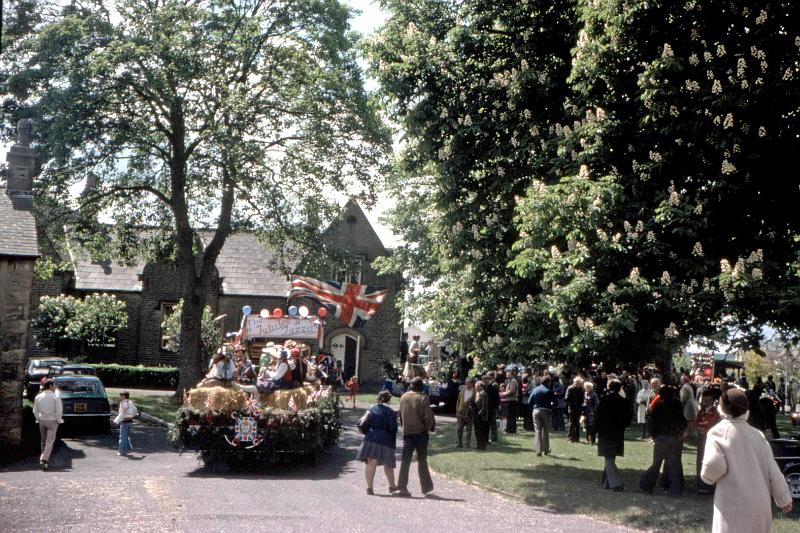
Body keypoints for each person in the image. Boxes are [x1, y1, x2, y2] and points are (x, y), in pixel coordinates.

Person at [701, 387, 792, 532]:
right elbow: (773, 470)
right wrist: (783, 497)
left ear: (722, 408)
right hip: (759, 504)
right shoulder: (758, 435)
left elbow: (713, 466)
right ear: (746, 409)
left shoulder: (717, 433)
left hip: (733, 503)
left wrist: (707, 477)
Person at [640, 385, 687, 496]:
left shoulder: (659, 406)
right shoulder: (678, 405)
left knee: (656, 463)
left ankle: (646, 485)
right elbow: (682, 421)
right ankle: (676, 490)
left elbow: (652, 423)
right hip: (675, 437)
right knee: (674, 464)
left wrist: (654, 435)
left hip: (661, 437)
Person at [396, 377, 435, 497]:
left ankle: (402, 487)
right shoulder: (423, 398)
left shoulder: (403, 397)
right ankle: (426, 487)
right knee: (422, 460)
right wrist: (428, 428)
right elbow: (428, 417)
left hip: (407, 432)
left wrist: (404, 426)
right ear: (420, 386)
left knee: (405, 461)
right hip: (420, 433)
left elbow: (401, 415)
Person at [592, 379, 632, 491]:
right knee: (611, 458)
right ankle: (606, 483)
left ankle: (616, 483)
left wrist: (593, 431)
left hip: (605, 432)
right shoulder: (624, 402)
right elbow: (628, 419)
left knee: (608, 459)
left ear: (609, 388)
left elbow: (598, 417)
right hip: (618, 433)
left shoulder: (605, 400)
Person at [356, 391, 398, 495]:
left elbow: (363, 423)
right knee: (388, 465)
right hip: (386, 440)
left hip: (371, 438)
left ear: (378, 398)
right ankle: (392, 486)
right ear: (389, 399)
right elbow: (394, 429)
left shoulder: (371, 409)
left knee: (371, 463)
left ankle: (369, 488)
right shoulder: (391, 412)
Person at [694, 388, 720, 495]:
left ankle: (709, 485)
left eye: (707, 397)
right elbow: (697, 423)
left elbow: (710, 424)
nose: (705, 399)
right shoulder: (702, 411)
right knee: (700, 461)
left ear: (712, 399)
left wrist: (702, 425)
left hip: (710, 439)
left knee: (709, 461)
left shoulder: (716, 411)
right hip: (701, 438)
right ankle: (700, 484)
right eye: (704, 397)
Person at [33, 378, 62, 470]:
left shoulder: (38, 396)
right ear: (50, 386)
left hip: (42, 420)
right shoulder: (55, 397)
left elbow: (34, 411)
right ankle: (44, 459)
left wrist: (38, 419)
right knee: (50, 441)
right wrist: (58, 420)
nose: (55, 387)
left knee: (43, 440)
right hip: (52, 421)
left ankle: (43, 459)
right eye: (54, 385)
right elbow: (59, 411)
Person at [529, 376, 555, 456]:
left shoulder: (535, 389)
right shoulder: (549, 391)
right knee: (546, 431)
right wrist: (551, 407)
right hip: (546, 410)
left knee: (537, 431)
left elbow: (530, 401)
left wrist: (532, 409)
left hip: (536, 410)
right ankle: (546, 450)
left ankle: (538, 450)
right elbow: (554, 402)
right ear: (548, 382)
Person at [114, 391, 138, 456]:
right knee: (126, 436)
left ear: (124, 396)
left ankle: (122, 451)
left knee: (122, 437)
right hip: (130, 421)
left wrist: (117, 420)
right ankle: (128, 449)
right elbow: (135, 410)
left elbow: (123, 413)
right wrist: (133, 415)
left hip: (124, 421)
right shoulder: (130, 402)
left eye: (121, 396)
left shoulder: (124, 403)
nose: (120, 397)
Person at [455, 377, 476, 448]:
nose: (467, 385)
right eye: (466, 383)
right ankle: (459, 444)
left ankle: (467, 444)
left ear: (472, 384)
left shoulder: (475, 392)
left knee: (468, 430)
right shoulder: (462, 391)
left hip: (469, 414)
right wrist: (457, 410)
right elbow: (458, 401)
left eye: (469, 383)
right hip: (460, 413)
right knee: (459, 430)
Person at [566, 376, 584, 443]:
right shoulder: (570, 388)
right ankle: (570, 438)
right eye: (577, 383)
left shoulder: (581, 389)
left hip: (579, 409)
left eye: (579, 383)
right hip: (572, 408)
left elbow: (582, 398)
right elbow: (567, 398)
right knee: (571, 424)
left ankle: (577, 438)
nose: (578, 384)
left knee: (577, 424)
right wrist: (572, 404)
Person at [472, 381, 490, 450]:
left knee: (481, 431)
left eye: (476, 386)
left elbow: (484, 408)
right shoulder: (477, 394)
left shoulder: (484, 394)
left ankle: (482, 446)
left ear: (480, 386)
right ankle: (478, 445)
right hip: (476, 415)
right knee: (477, 431)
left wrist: (478, 415)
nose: (475, 387)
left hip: (481, 417)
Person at [503, 369, 520, 434]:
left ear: (512, 374)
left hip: (512, 400)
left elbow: (511, 391)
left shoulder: (513, 381)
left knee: (510, 416)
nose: (507, 374)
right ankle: (512, 430)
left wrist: (504, 393)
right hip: (511, 400)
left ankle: (510, 430)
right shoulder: (510, 381)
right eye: (507, 373)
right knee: (511, 416)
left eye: (508, 373)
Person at [486, 372, 500, 443]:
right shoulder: (492, 384)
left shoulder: (494, 384)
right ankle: (493, 437)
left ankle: (494, 438)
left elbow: (493, 395)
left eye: (488, 378)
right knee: (492, 422)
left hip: (493, 406)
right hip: (492, 405)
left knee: (493, 422)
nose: (487, 379)